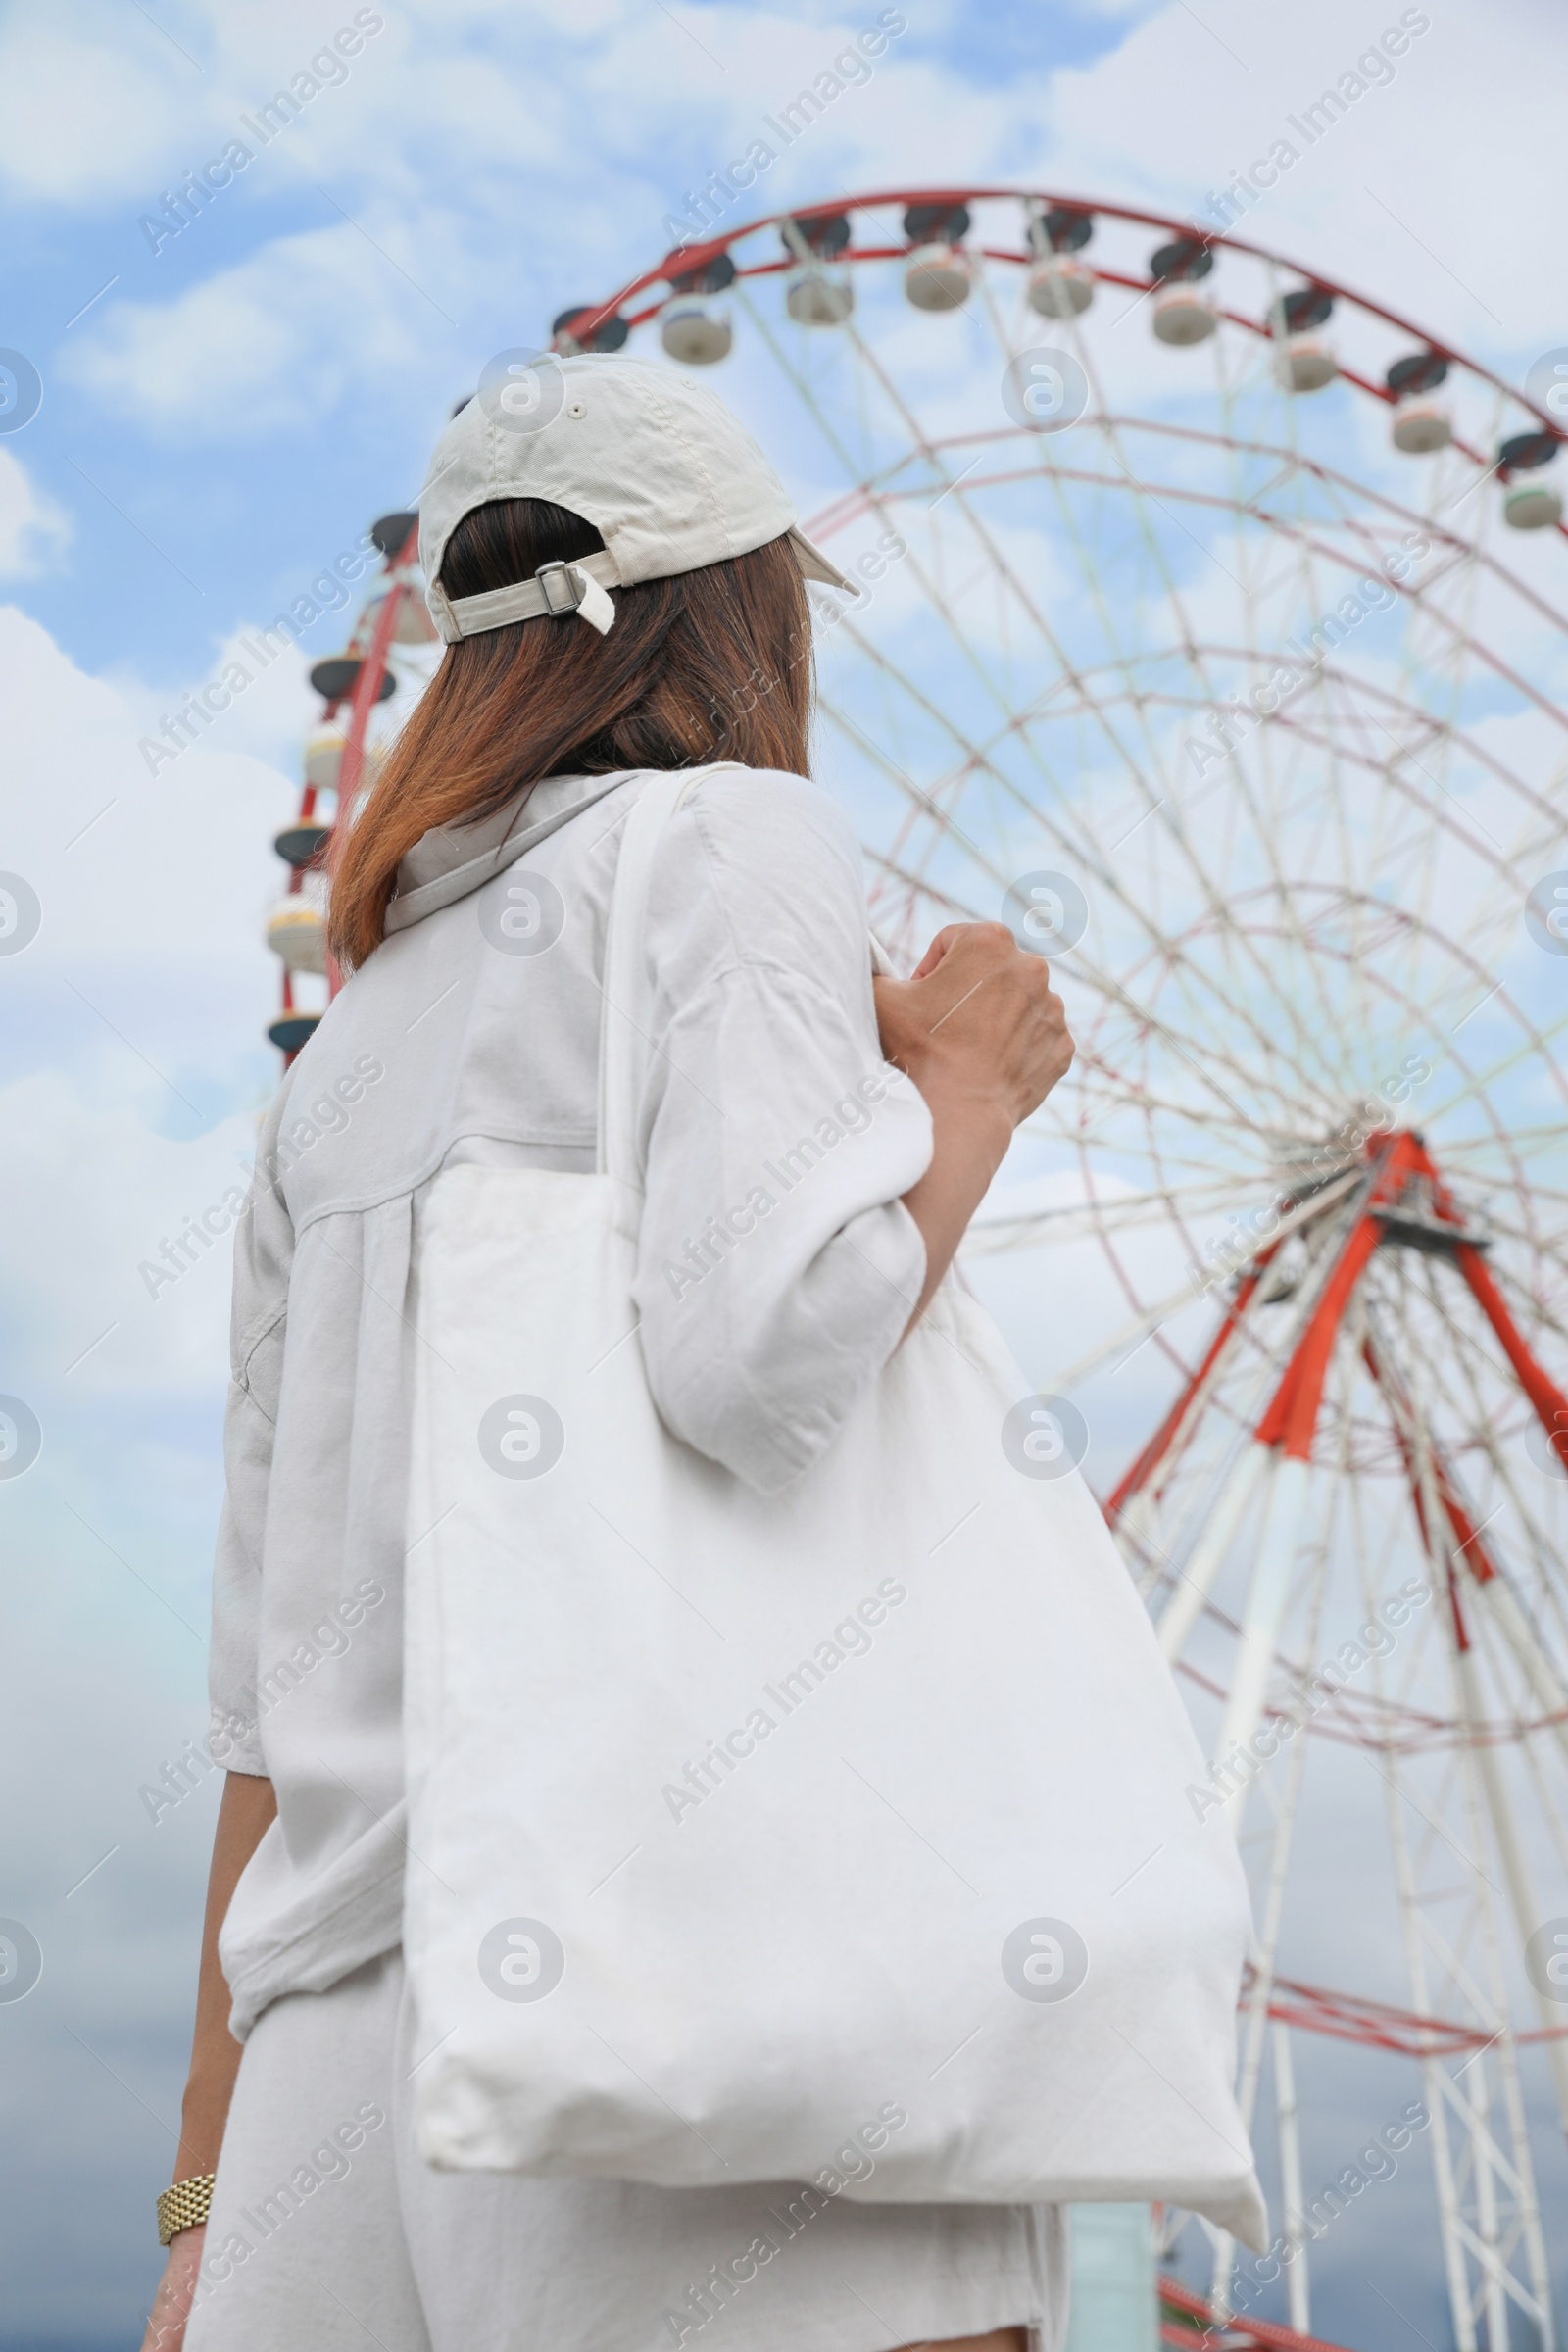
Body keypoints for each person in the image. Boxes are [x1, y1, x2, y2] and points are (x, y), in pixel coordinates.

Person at [144, 355, 1073, 2352]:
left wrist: (200, 2207)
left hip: (336, 2062)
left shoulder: (347, 1042)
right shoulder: (729, 840)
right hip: (671, 1979)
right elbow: (766, 1353)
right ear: (745, 609)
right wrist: (973, 1096)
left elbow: (255, 1695)